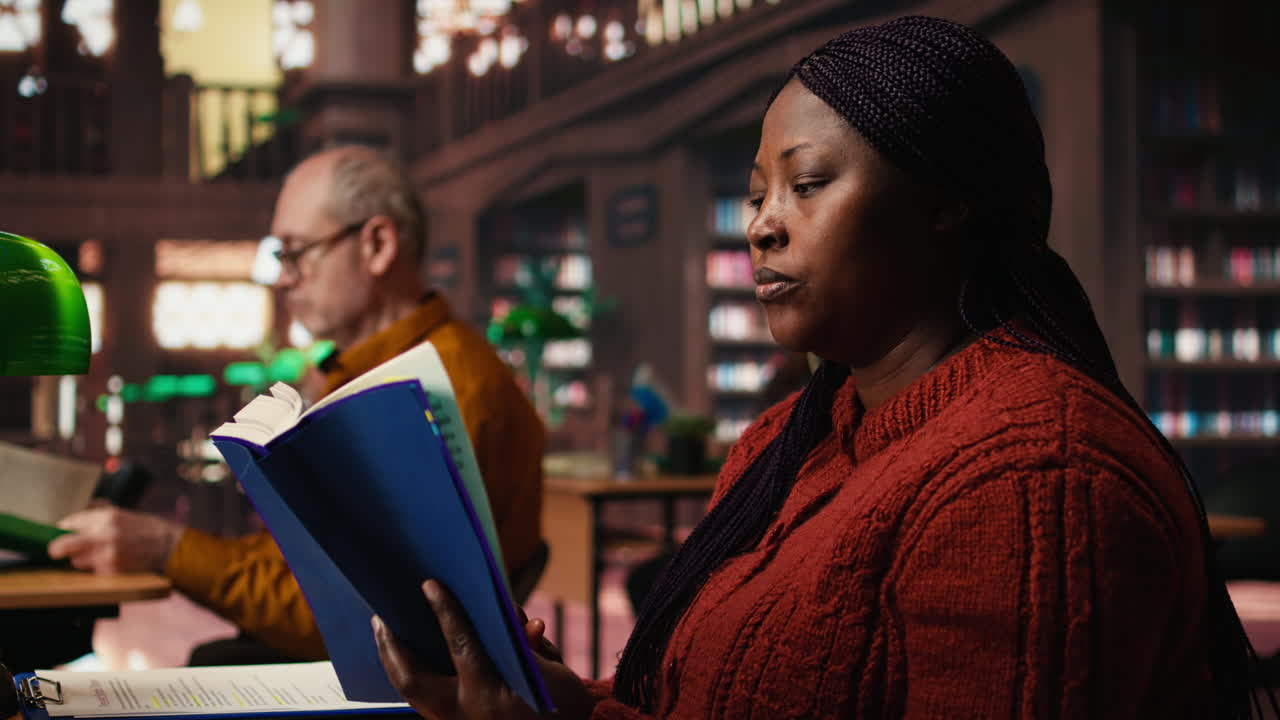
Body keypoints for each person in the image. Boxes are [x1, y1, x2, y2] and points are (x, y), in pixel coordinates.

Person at [370, 16, 1265, 719]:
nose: (760, 225)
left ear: (947, 200)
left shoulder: (1038, 474)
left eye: (806, 184)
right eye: (755, 193)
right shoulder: (783, 440)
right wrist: (572, 704)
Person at [48, 146, 546, 665]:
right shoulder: (363, 371)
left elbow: (346, 613)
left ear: (377, 244)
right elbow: (304, 561)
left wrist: (166, 548)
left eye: (295, 252)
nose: (283, 278)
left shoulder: (441, 389)